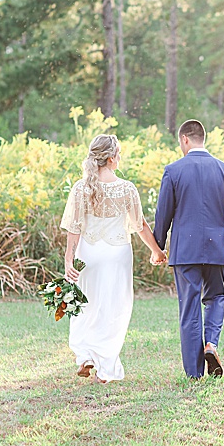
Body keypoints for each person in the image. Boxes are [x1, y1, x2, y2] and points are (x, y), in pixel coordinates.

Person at [60, 134, 167, 384]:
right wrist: (156, 251)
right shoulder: (126, 188)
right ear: (110, 158)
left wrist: (68, 261)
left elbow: (74, 228)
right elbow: (139, 225)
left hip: (88, 254)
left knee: (85, 304)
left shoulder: (81, 187)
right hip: (117, 254)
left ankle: (85, 355)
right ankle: (105, 369)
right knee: (114, 308)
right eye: (118, 153)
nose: (120, 158)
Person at [154, 119, 224, 379]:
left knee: (189, 307)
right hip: (215, 247)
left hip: (184, 249)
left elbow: (162, 214)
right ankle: (211, 343)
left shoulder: (173, 171)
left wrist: (158, 247)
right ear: (202, 138)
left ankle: (194, 373)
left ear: (185, 139)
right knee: (216, 298)